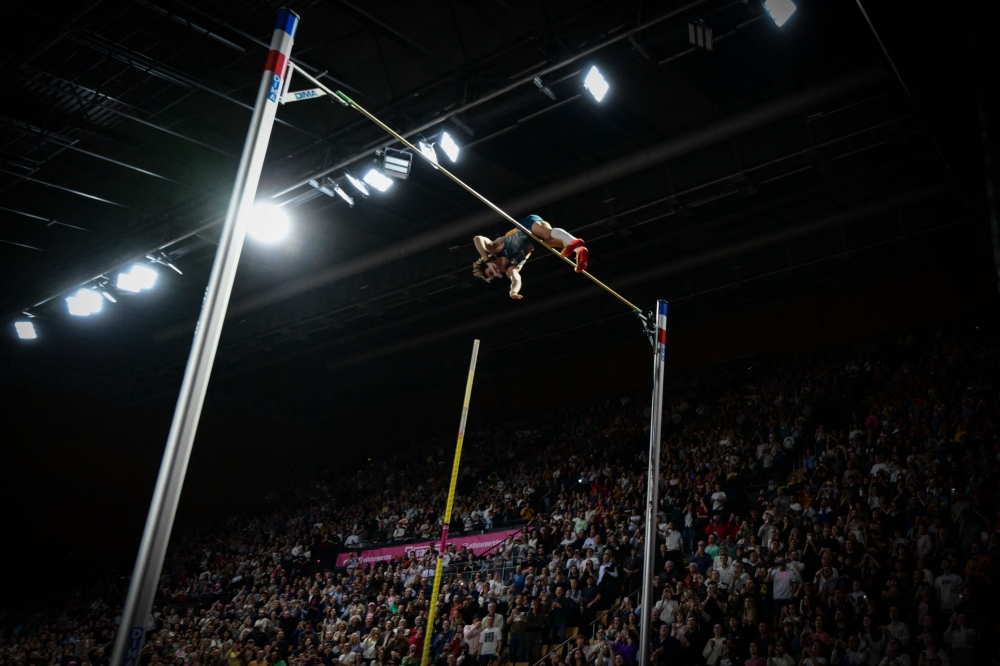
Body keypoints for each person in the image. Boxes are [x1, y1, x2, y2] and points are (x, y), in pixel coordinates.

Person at [472, 215, 589, 299]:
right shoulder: (512, 268)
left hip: (526, 226)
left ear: (489, 262)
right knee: (552, 242)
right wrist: (513, 292)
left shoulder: (494, 248)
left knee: (547, 234)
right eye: (493, 275)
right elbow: (516, 280)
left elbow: (477, 239)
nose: (495, 272)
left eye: (491, 272)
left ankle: (575, 243)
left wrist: (487, 259)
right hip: (535, 242)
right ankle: (579, 250)